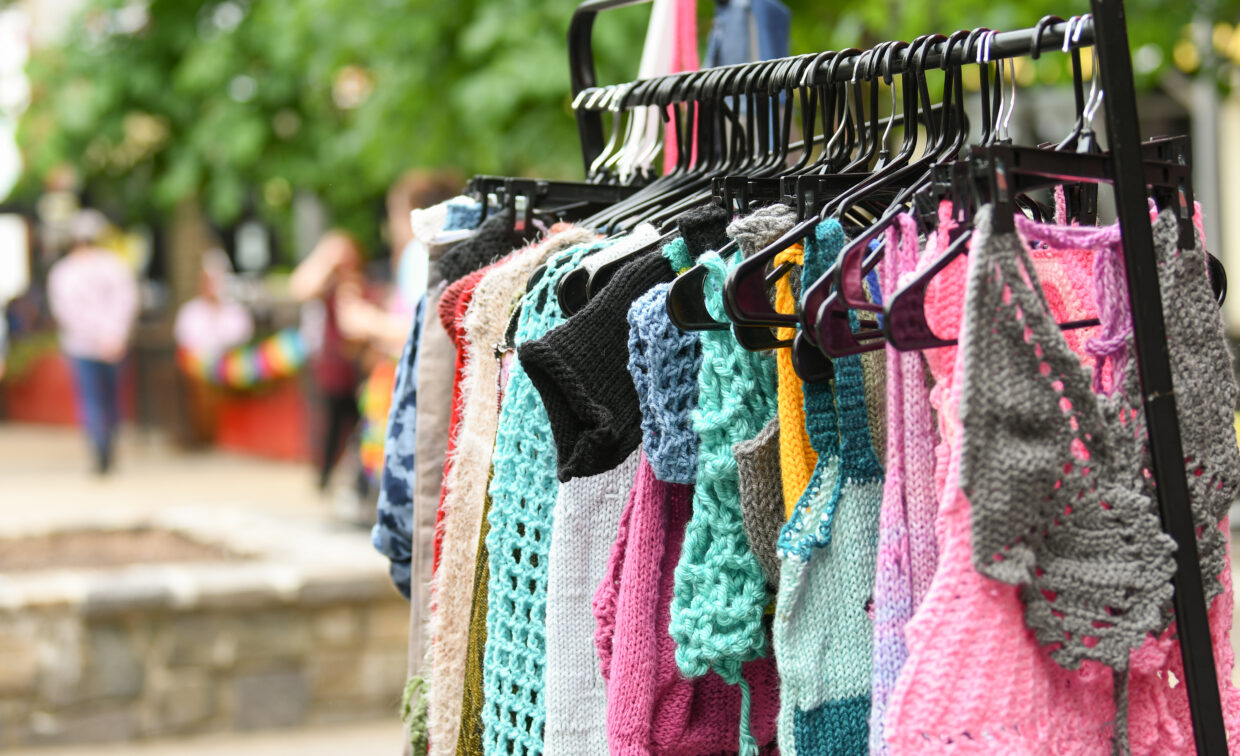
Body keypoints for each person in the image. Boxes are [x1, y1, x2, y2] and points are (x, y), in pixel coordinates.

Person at [46, 209, 139, 474]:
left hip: (93, 344)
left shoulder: (68, 272)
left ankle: (103, 448)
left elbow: (69, 312)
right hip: (96, 344)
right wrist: (110, 335)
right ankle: (103, 447)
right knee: (105, 399)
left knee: (97, 399)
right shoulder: (79, 270)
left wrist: (109, 335)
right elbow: (122, 303)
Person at [290, 230, 366, 492]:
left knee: (361, 427)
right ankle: (325, 477)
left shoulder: (361, 284)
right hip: (332, 369)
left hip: (360, 368)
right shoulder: (327, 285)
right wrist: (325, 259)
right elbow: (299, 288)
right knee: (331, 426)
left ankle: (357, 481)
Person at [173, 249, 254, 446]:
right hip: (200, 366)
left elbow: (240, 336)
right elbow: (186, 341)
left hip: (229, 365)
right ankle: (206, 435)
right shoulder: (191, 311)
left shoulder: (233, 311)